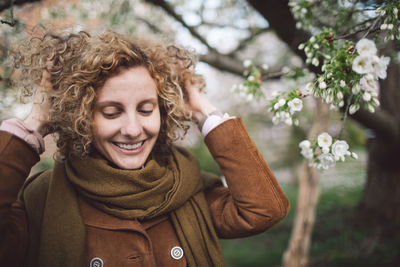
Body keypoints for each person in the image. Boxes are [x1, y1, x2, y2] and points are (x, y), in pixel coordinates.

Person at [0, 30, 289, 267]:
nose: (134, 129)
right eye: (112, 113)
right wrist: (35, 123)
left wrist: (204, 111)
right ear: (81, 117)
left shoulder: (187, 186)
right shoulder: (42, 199)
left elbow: (265, 210)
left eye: (146, 109)